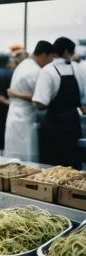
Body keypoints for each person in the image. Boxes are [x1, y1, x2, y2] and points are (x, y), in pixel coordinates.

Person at [33, 37, 85, 169]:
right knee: (73, 163)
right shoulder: (78, 69)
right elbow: (84, 101)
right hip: (73, 122)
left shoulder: (48, 70)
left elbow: (41, 103)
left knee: (54, 165)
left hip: (54, 124)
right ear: (67, 52)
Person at [4, 40, 55, 162]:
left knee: (14, 156)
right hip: (24, 116)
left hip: (15, 114)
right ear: (44, 55)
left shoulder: (24, 64)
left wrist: (15, 93)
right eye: (50, 58)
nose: (50, 62)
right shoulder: (35, 71)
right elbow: (40, 98)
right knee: (26, 157)